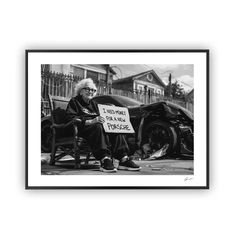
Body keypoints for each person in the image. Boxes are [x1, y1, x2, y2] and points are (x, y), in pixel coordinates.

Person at [66, 78, 141, 173]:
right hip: (82, 128)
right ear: (80, 91)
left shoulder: (94, 104)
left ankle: (123, 159)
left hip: (96, 129)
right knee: (98, 126)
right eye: (87, 89)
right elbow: (71, 118)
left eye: (93, 90)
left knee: (114, 127)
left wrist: (112, 113)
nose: (91, 92)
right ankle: (104, 158)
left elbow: (103, 116)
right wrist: (91, 121)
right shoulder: (74, 102)